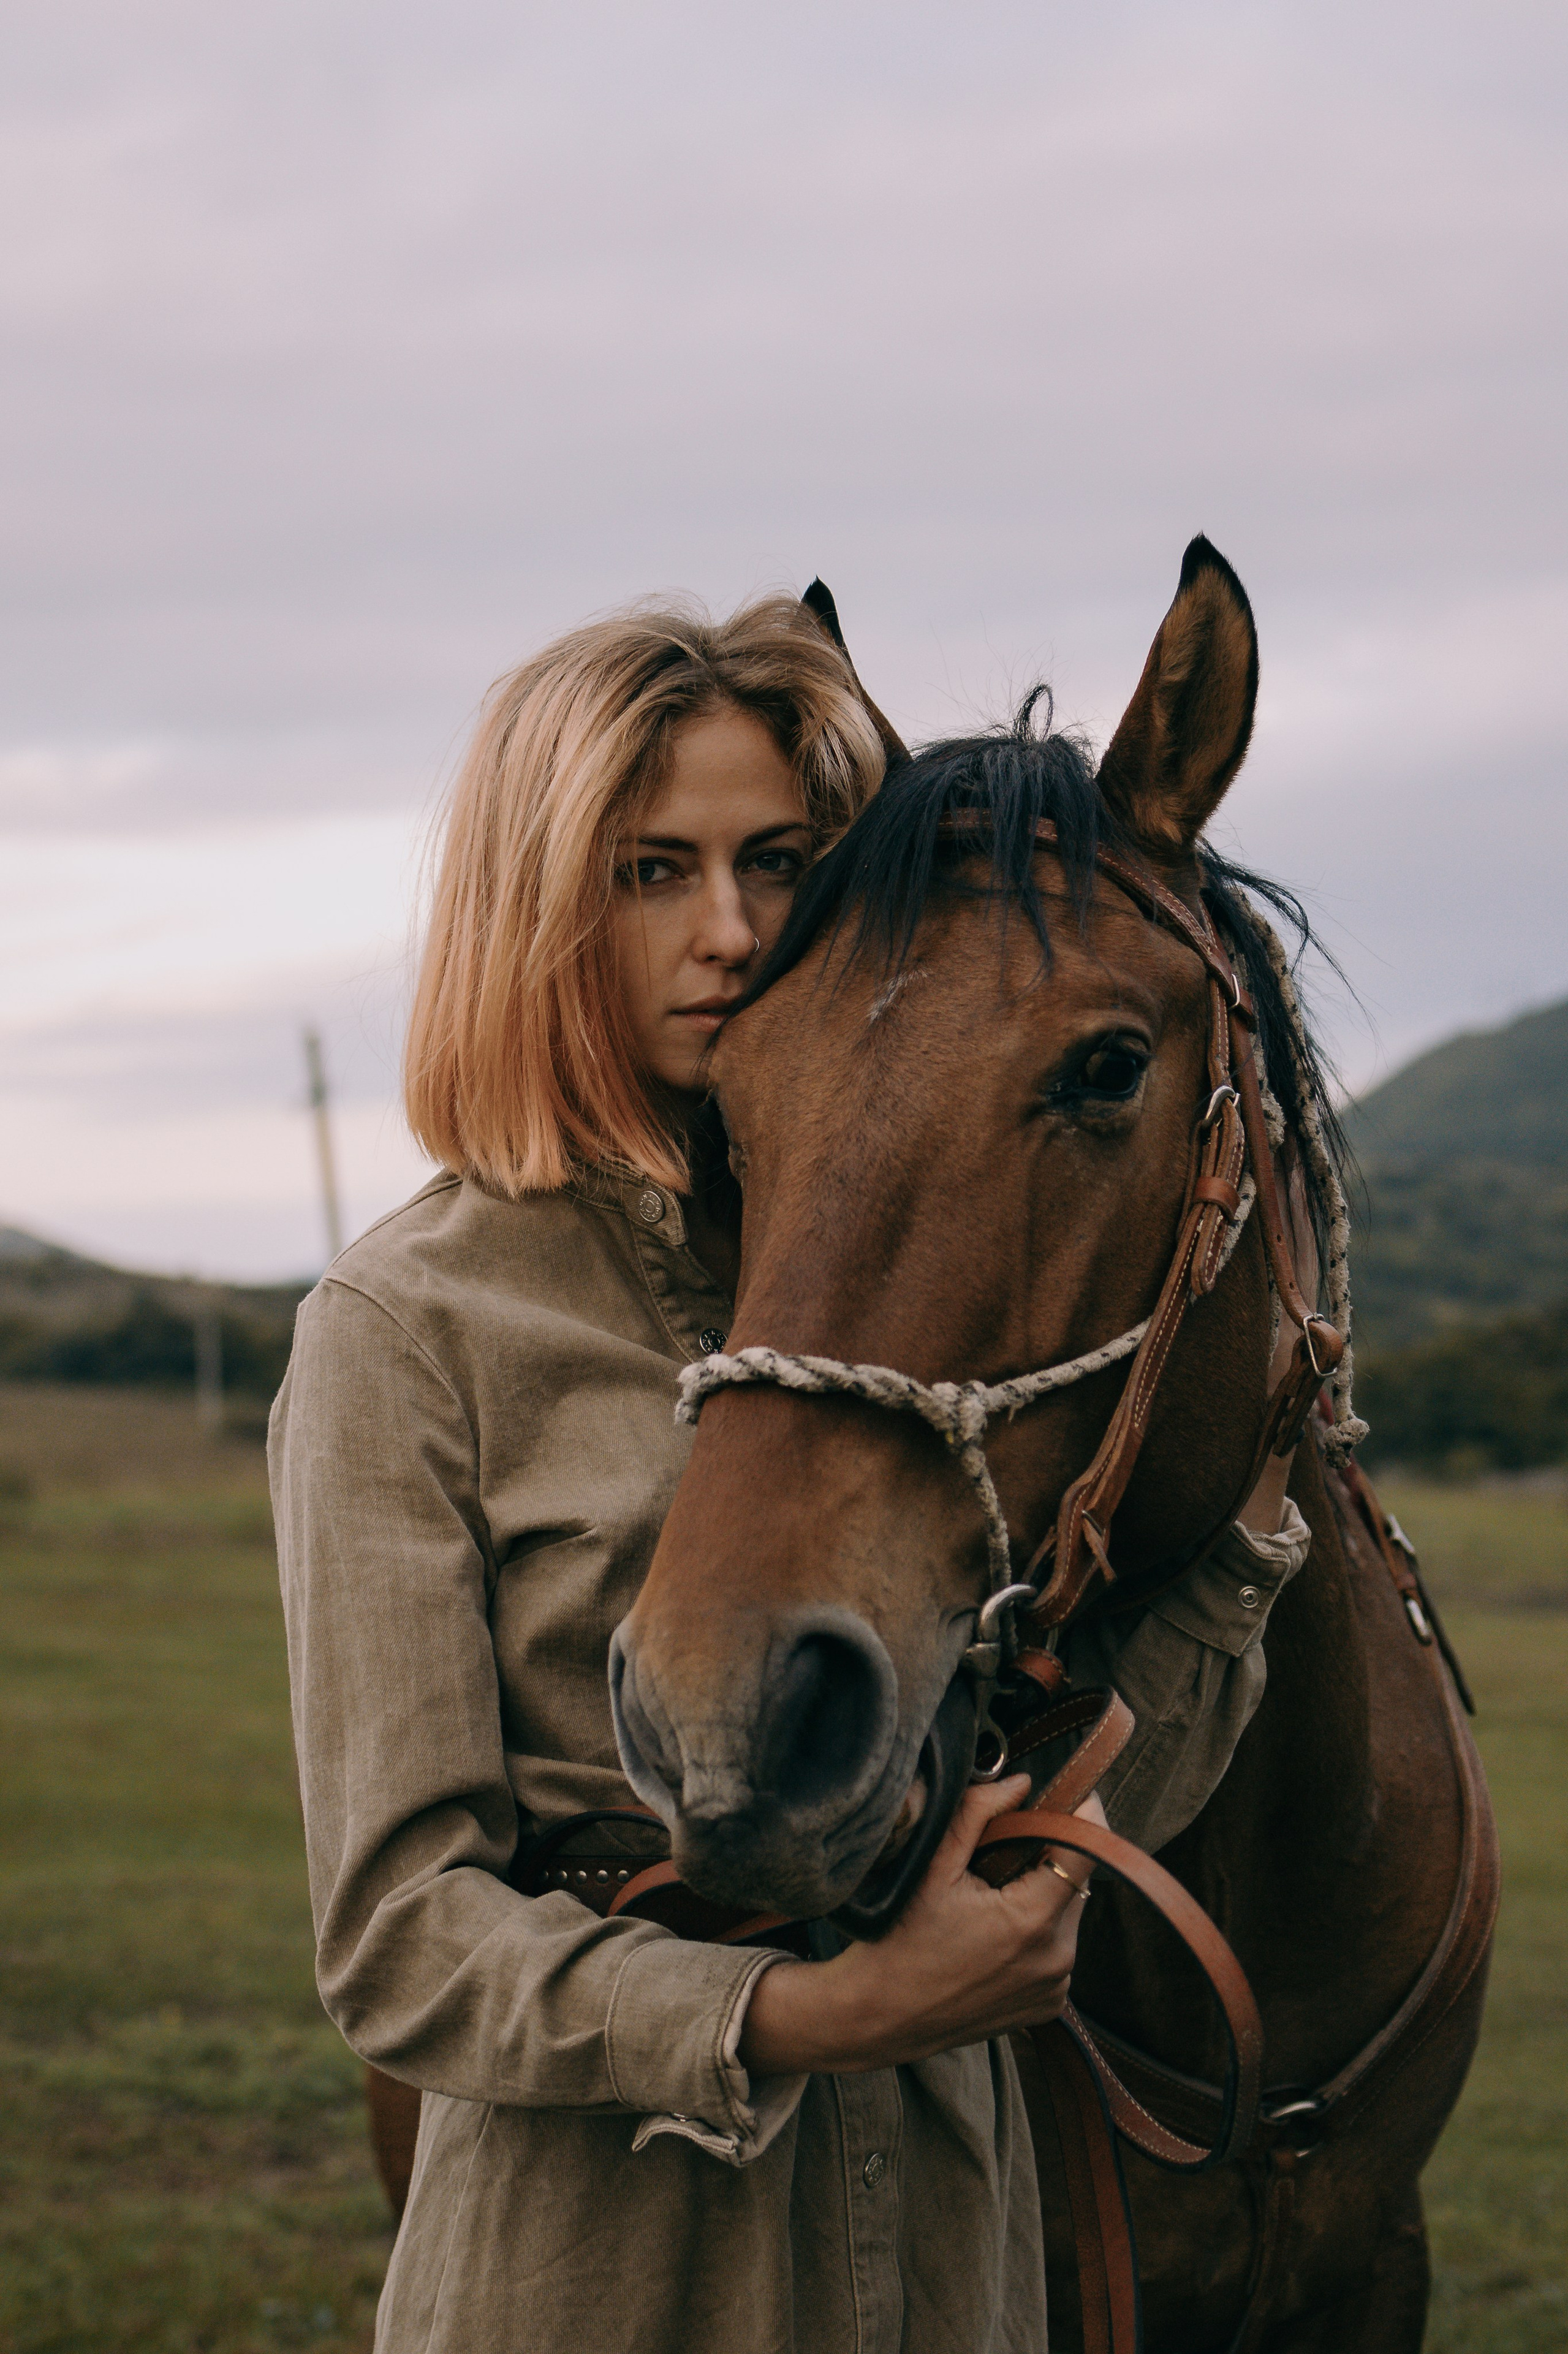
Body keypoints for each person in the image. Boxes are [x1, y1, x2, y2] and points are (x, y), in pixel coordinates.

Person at [270, 594, 1312, 2354]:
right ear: (534, 905)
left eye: (774, 860)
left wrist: (1248, 1502)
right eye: (651, 871)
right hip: (604, 2271)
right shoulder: (410, 1323)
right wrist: (811, 2015)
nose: (734, 929)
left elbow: (1073, 1796)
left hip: (953, 2263)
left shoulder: (885, 1276)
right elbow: (398, 1940)